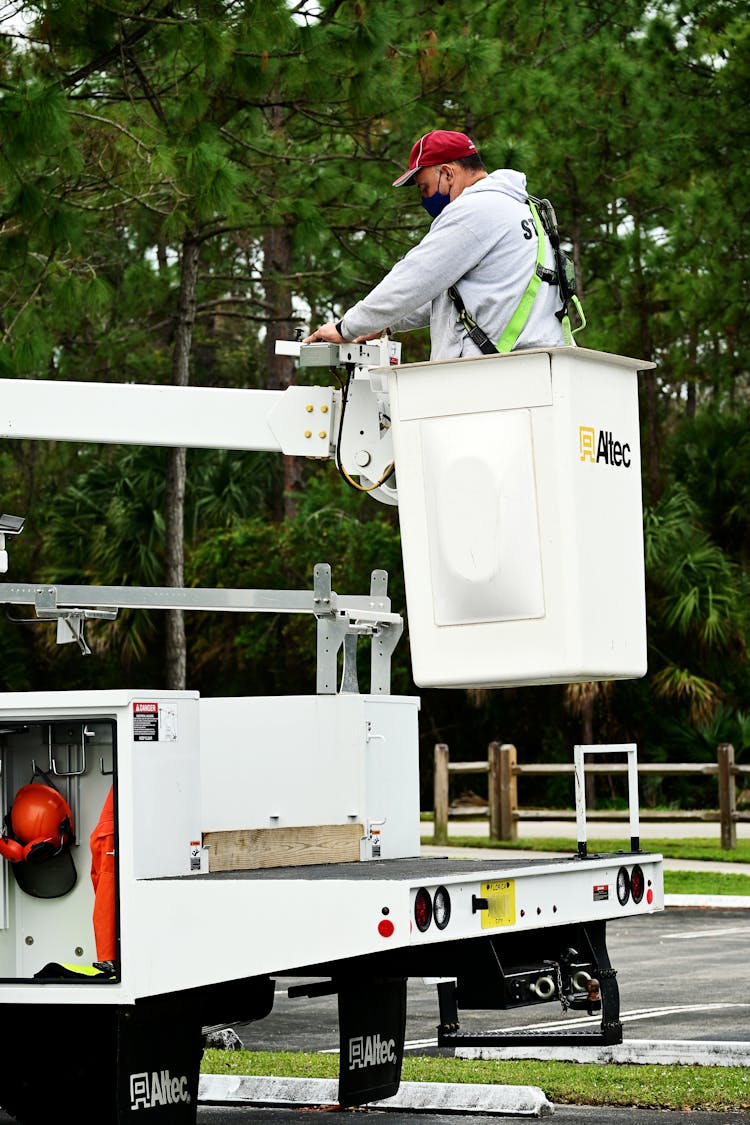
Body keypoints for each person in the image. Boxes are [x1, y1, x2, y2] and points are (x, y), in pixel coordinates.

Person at [304, 129, 566, 359]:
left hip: (491, 375)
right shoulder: (520, 207)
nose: (424, 198)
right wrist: (385, 324)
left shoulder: (474, 210)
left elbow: (413, 280)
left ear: (448, 173)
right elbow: (453, 295)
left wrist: (345, 328)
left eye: (424, 187)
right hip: (534, 365)